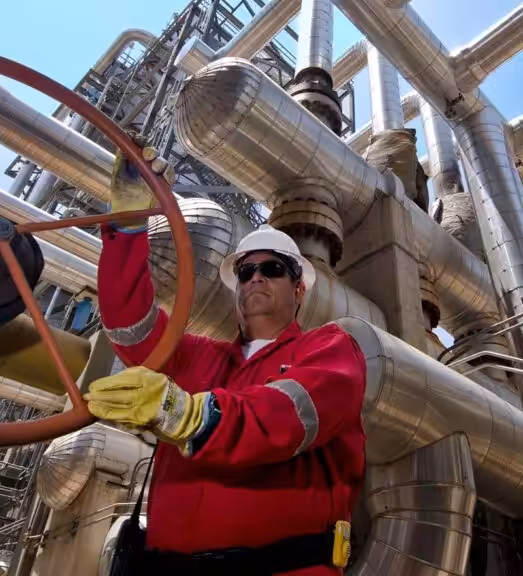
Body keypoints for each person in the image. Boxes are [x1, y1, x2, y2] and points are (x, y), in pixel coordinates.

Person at [85, 138, 368, 575]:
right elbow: (131, 327)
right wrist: (126, 228)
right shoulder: (198, 356)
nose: (256, 278)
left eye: (272, 268)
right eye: (245, 271)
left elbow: (288, 416)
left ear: (298, 288)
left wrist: (188, 415)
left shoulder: (331, 348)